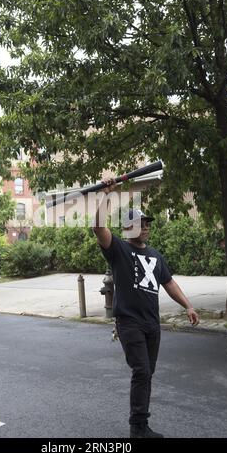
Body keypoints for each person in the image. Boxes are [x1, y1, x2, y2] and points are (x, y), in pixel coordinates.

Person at [92, 178, 199, 438]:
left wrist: (188, 305)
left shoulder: (155, 255)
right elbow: (98, 227)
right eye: (142, 223)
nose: (147, 227)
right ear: (128, 227)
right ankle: (137, 427)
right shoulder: (118, 249)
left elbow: (169, 282)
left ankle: (142, 423)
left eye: (148, 223)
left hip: (153, 323)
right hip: (129, 322)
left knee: (147, 373)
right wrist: (105, 196)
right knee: (141, 370)